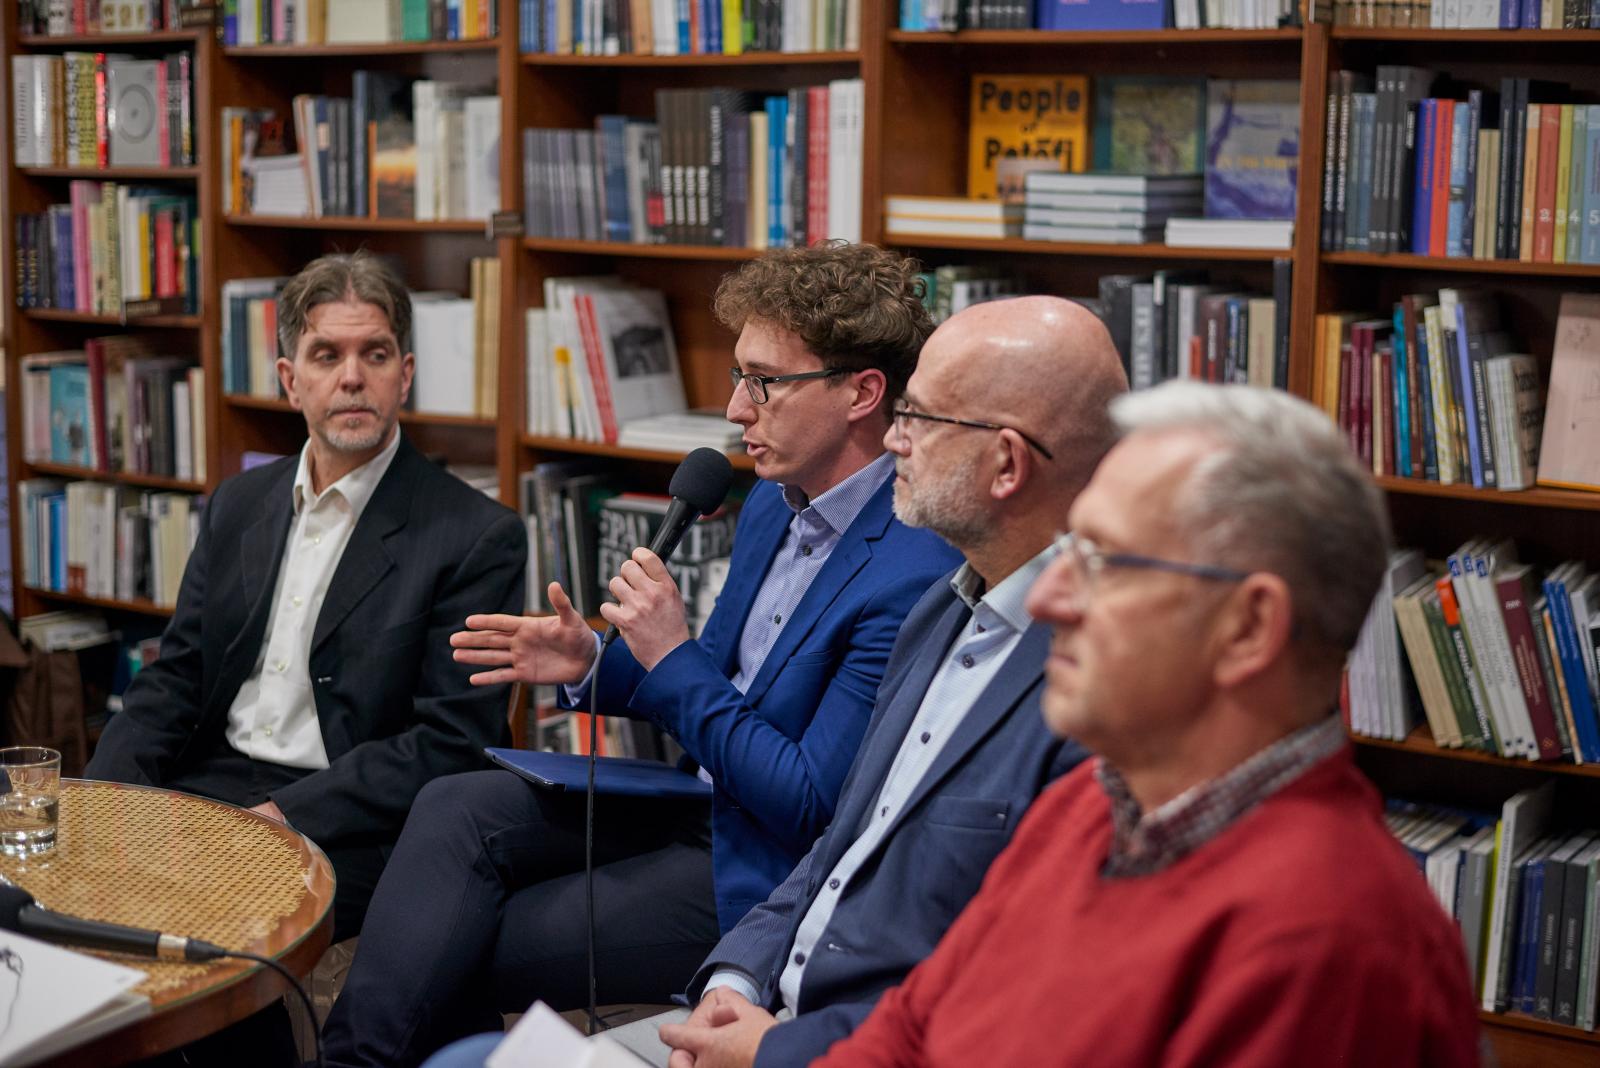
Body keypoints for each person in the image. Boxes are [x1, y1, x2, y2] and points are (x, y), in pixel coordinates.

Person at [319, 242, 963, 1068]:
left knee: (460, 935)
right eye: (738, 376)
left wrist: (669, 651)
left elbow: (809, 804)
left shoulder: (914, 564)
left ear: (861, 393)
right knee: (454, 806)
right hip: (695, 803)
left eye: (764, 382)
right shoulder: (774, 503)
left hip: (763, 866)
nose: (735, 408)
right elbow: (708, 680)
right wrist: (594, 661)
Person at [811, 383, 1483, 1068]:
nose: (1046, 597)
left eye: (1102, 561)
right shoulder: (1090, 804)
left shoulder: (1329, 941)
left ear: (1248, 627)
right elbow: (912, 1029)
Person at [641, 295, 1128, 1068]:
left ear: (1007, 464)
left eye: (921, 419)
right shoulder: (944, 608)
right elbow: (843, 842)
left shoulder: (1101, 689)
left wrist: (779, 1048)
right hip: (771, 1008)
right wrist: (735, 976)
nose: (894, 440)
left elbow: (1011, 989)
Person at [84, 251, 527, 942]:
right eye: (327, 355)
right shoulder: (237, 503)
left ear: (405, 374)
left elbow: (451, 742)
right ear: (292, 381)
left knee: (205, 925)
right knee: (60, 889)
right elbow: (176, 678)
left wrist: (280, 817)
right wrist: (104, 803)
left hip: (351, 818)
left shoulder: (474, 536)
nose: (352, 377)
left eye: (375, 354)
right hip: (210, 787)